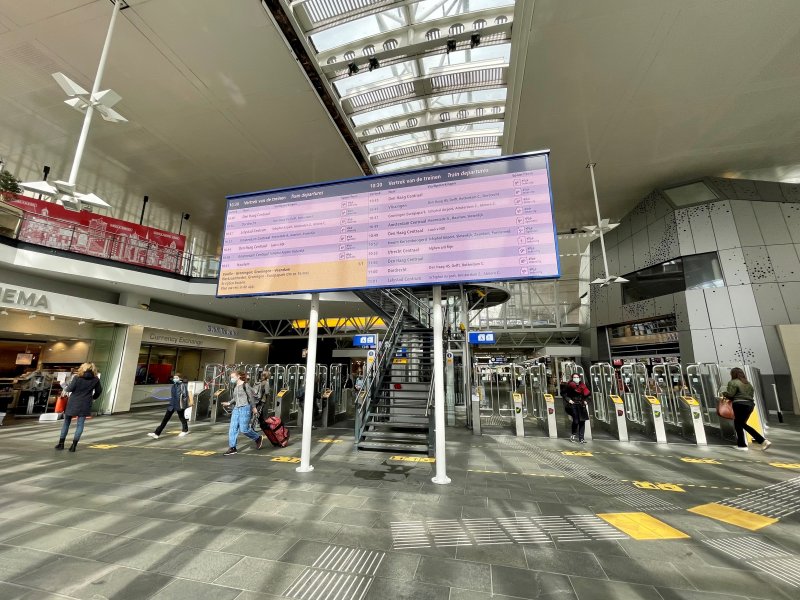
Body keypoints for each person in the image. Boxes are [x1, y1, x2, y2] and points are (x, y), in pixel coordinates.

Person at [55, 363, 102, 452]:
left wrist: (63, 384)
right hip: (85, 403)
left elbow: (69, 389)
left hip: (73, 402)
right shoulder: (95, 379)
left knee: (66, 423)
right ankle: (73, 446)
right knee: (80, 425)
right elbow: (99, 391)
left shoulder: (77, 377)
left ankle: (61, 444)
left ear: (82, 368)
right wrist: (93, 398)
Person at [722, 368, 771, 451]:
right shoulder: (748, 383)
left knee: (741, 423)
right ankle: (741, 444)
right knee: (739, 423)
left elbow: (731, 394)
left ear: (733, 374)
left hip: (739, 405)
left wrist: (724, 393)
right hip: (750, 405)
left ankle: (762, 441)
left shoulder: (733, 382)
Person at [222, 370, 262, 456]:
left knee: (244, 429)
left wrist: (254, 408)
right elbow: (235, 398)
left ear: (238, 376)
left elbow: (251, 397)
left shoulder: (245, 385)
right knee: (232, 428)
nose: (231, 379)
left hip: (245, 408)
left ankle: (257, 438)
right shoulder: (236, 386)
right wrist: (229, 403)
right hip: (236, 408)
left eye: (232, 377)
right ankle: (232, 447)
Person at [147, 372, 189, 439]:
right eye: (174, 378)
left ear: (180, 378)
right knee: (165, 419)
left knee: (182, 418)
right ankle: (156, 433)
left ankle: (185, 430)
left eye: (176, 378)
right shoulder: (173, 385)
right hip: (172, 404)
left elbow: (185, 396)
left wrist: (183, 405)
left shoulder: (183, 385)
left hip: (179, 404)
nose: (175, 379)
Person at [564, 373, 591, 443]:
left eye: (577, 377)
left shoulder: (583, 386)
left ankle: (581, 438)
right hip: (573, 405)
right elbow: (564, 394)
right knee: (576, 421)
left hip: (581, 405)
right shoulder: (569, 385)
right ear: (572, 378)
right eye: (574, 377)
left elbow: (588, 395)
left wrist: (586, 401)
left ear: (579, 378)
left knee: (582, 421)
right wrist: (569, 400)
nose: (576, 378)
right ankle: (573, 434)